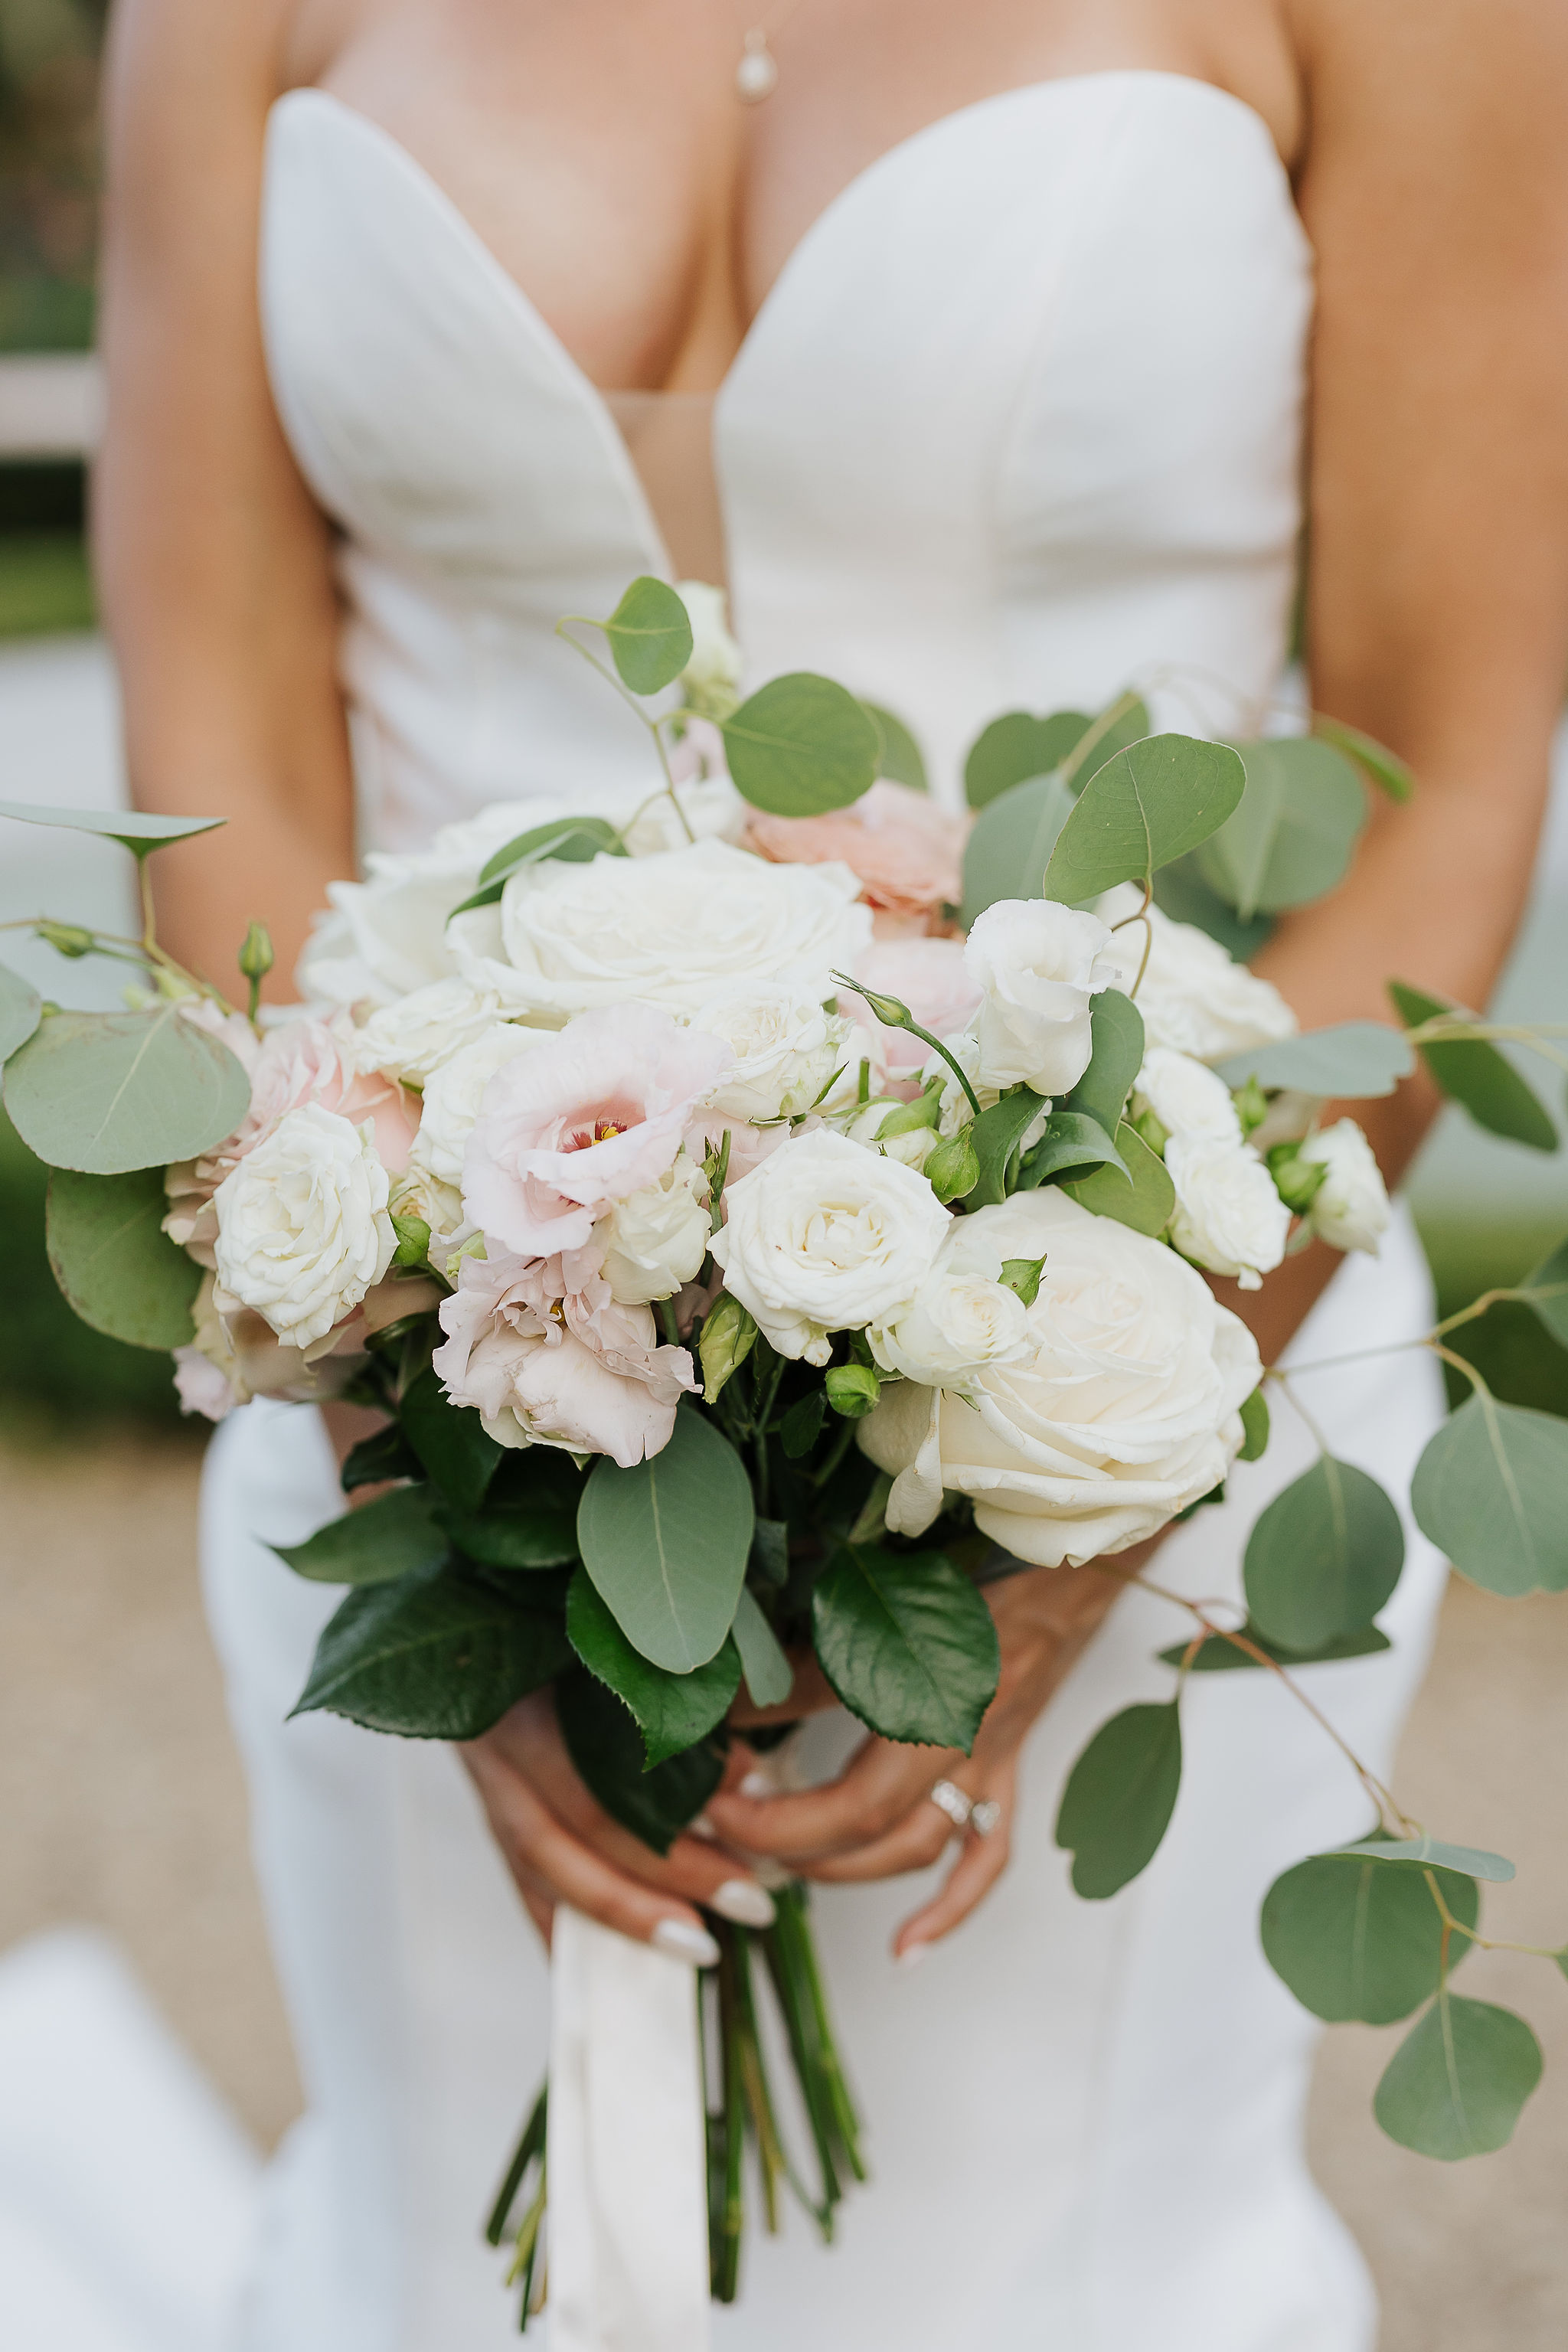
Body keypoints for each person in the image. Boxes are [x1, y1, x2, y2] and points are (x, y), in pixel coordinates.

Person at [95, 2, 1568, 2345]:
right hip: (414, 1364)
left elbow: (1445, 774)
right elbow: (222, 727)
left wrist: (1109, 1463)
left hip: (1159, 1387)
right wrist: (435, 1443)